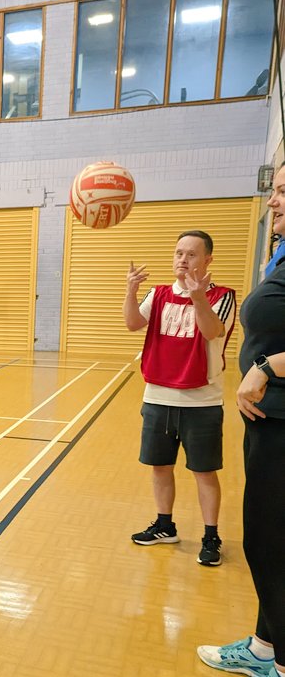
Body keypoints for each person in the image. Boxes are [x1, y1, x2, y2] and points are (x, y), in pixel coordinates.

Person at [197, 165, 285, 677]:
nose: (272, 199)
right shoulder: (280, 250)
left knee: (279, 548)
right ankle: (265, 647)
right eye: (274, 187)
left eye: (283, 190)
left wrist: (272, 367)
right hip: (269, 424)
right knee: (265, 541)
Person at [123, 231, 236, 565]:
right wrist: (130, 290)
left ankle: (211, 536)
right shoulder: (157, 294)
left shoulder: (222, 296)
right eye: (178, 254)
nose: (183, 260)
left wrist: (198, 297)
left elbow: (212, 332)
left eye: (191, 254)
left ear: (207, 260)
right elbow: (132, 323)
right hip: (158, 396)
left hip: (201, 401)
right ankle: (164, 525)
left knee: (204, 472)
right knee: (160, 467)